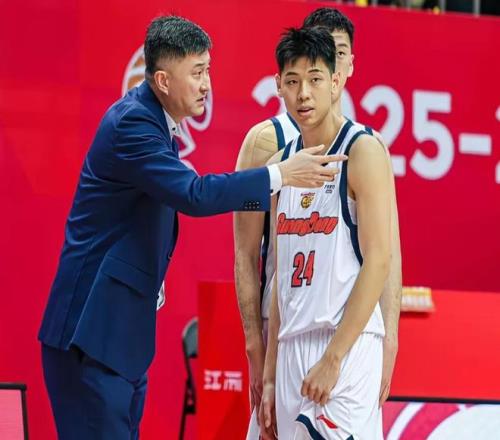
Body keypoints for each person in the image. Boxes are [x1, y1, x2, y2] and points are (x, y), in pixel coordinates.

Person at [37, 16, 346, 439]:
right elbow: (194, 194)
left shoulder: (156, 123)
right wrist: (280, 175)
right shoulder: (133, 124)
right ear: (163, 80)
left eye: (208, 70)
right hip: (89, 339)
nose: (207, 85)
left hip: (117, 341)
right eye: (197, 73)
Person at [234, 8, 401, 438]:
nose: (303, 93)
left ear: (336, 80)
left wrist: (336, 356)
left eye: (314, 79)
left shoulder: (364, 151)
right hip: (291, 345)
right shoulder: (279, 161)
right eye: (293, 82)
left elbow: (381, 259)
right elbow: (279, 277)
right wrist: (270, 371)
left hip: (344, 345)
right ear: (279, 86)